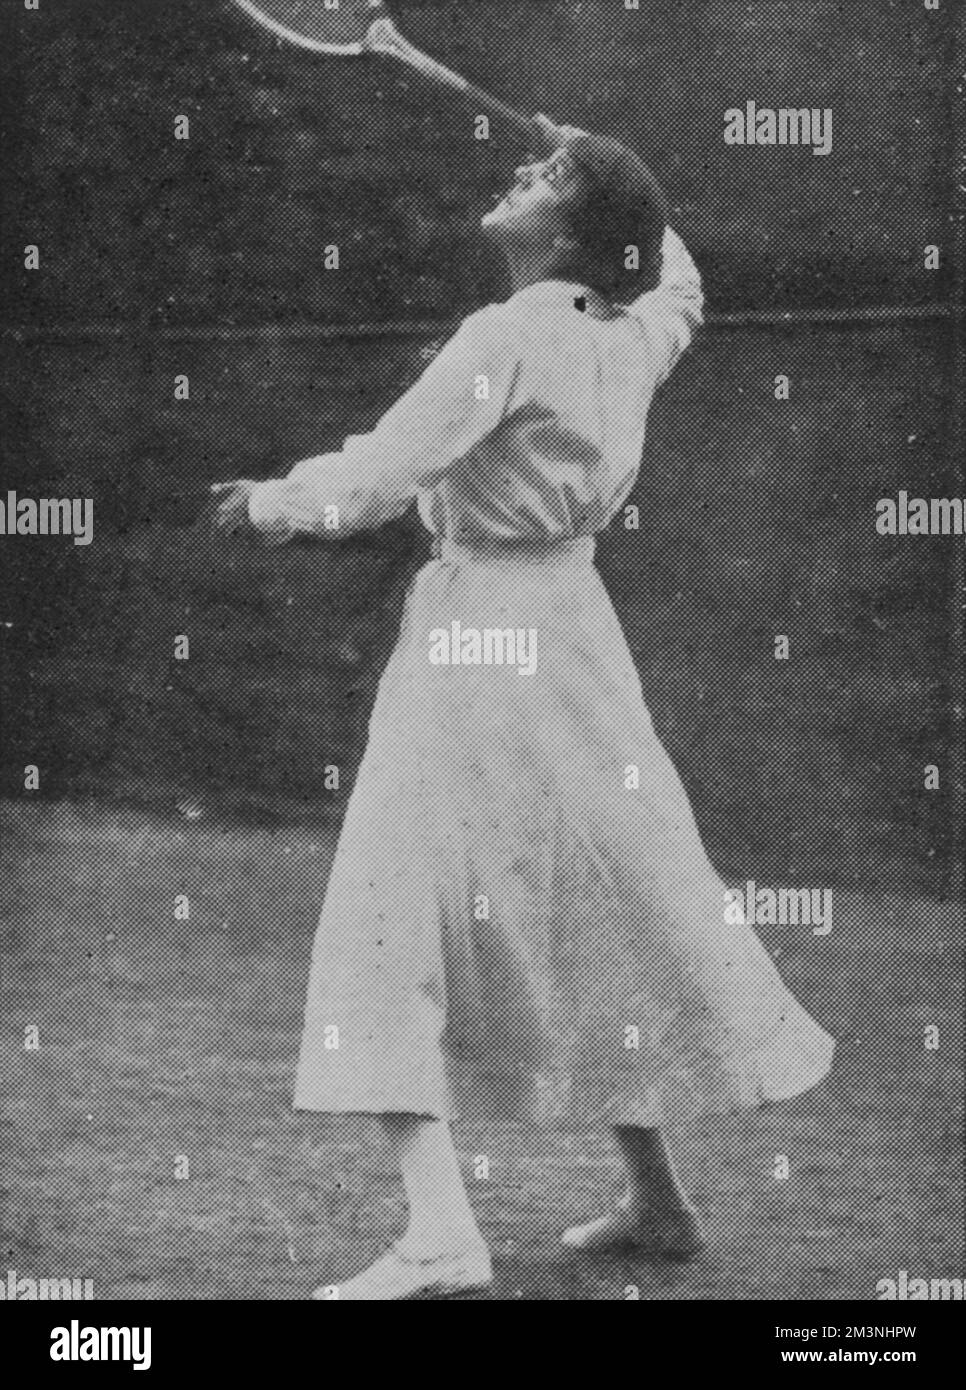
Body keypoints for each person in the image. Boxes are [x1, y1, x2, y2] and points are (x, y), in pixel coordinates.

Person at [212, 115, 835, 1300]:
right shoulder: (638, 333)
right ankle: (660, 1201)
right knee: (601, 900)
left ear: (577, 237)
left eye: (542, 174)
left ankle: (445, 1235)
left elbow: (387, 470)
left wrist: (273, 503)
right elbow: (680, 278)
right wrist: (607, 165)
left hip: (476, 653)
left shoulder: (502, 337)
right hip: (576, 646)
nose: (516, 173)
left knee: (388, 915)